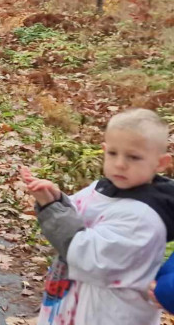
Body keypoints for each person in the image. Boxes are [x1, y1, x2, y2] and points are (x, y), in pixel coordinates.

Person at [20, 108, 174, 325]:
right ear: (104, 150)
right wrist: (55, 197)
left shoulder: (144, 218)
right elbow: (76, 212)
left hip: (109, 315)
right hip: (73, 306)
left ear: (160, 163)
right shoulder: (103, 188)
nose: (120, 163)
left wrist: (51, 207)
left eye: (134, 157)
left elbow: (88, 256)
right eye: (113, 153)